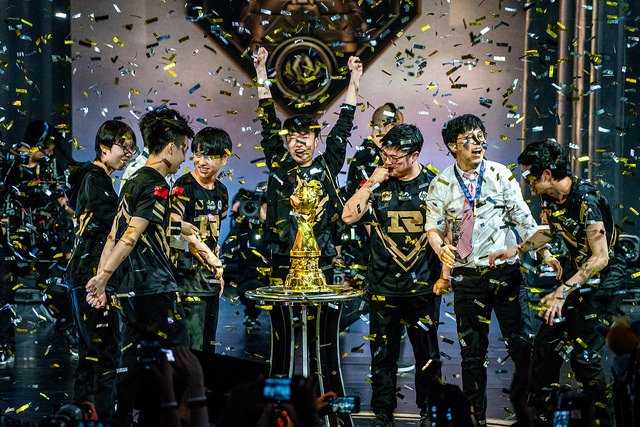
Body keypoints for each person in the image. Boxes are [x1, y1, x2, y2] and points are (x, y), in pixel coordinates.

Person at [490, 138, 627, 426]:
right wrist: (517, 249)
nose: (527, 181)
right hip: (575, 278)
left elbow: (600, 257)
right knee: (545, 346)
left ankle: (603, 418)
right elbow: (551, 231)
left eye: (529, 175)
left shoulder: (587, 201)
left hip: (602, 282)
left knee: (584, 357)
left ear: (547, 174)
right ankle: (540, 414)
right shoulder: (550, 197)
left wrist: (562, 291)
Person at [424, 114, 543, 426]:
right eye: (469, 139)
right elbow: (432, 227)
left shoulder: (500, 174)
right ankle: (475, 419)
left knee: (522, 345)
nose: (478, 144)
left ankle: (530, 414)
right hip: (468, 277)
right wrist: (440, 247)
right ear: (453, 146)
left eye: (480, 137)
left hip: (505, 274)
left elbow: (523, 218)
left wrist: (544, 251)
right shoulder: (441, 183)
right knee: (472, 354)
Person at [85, 106, 194, 425]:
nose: (185, 158)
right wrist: (102, 278)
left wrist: (103, 280)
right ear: (170, 148)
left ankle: (125, 419)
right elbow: (130, 235)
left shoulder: (132, 180)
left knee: (132, 361)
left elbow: (113, 234)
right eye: (184, 150)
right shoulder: (156, 183)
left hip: (130, 290)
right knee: (180, 357)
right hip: (154, 289)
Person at [342, 124, 443, 427]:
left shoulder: (435, 184)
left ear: (415, 155)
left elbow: (449, 233)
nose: (388, 162)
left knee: (428, 355)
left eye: (395, 158)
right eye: (384, 155)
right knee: (382, 355)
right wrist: (371, 183)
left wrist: (446, 275)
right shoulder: (378, 182)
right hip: (382, 285)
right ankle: (382, 412)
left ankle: (429, 410)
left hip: (423, 286)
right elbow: (348, 216)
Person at [252, 46, 362, 285]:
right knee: (282, 308)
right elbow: (268, 120)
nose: (298, 144)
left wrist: (354, 78)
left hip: (321, 254)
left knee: (320, 308)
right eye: (292, 138)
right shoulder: (279, 163)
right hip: (282, 254)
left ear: (316, 140)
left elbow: (343, 125)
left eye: (304, 138)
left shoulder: (327, 165)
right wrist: (261, 71)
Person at [64, 120, 136, 419]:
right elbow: (114, 225)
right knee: (104, 355)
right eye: (124, 148)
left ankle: (82, 414)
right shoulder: (95, 180)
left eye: (132, 149)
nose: (128, 154)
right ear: (104, 147)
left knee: (90, 354)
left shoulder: (91, 178)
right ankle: (102, 417)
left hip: (83, 273)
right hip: (92, 275)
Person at [170, 127, 230, 353]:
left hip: (210, 280)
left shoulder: (221, 191)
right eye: (197, 154)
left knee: (209, 347)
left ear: (224, 158)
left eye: (210, 156)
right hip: (186, 279)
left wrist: (217, 271)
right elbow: (176, 228)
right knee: (192, 348)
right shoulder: (183, 186)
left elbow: (215, 234)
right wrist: (211, 258)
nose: (202, 162)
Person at [220, 182, 269, 333]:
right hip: (250, 278)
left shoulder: (279, 225)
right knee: (251, 285)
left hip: (276, 276)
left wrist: (266, 222)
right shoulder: (244, 226)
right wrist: (239, 219)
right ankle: (251, 315)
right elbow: (227, 250)